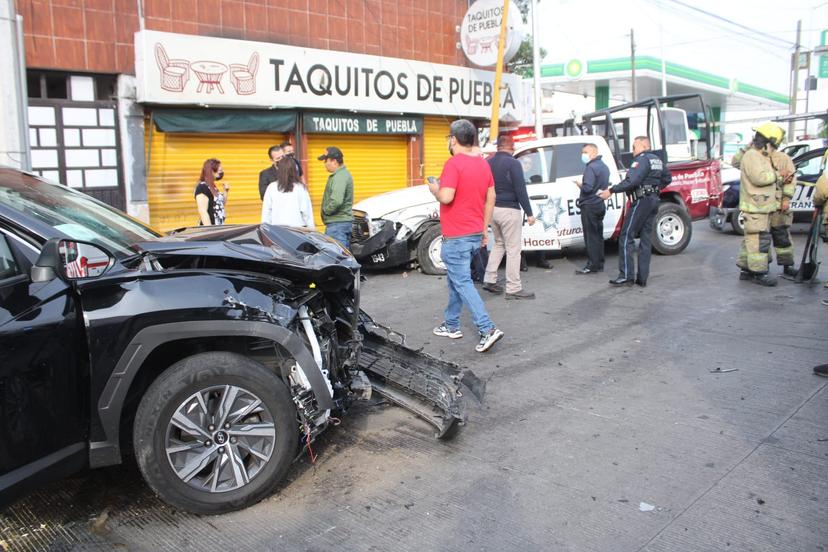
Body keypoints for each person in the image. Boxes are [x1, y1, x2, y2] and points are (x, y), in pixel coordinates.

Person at [428, 119, 504, 353]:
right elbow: (490, 197)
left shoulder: (453, 164)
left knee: (462, 281)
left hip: (456, 235)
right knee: (455, 280)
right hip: (473, 233)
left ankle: (487, 328)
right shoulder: (483, 164)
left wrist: (435, 189)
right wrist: (484, 228)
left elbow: (447, 197)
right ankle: (451, 324)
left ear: (453, 139)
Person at [598, 136, 670, 287]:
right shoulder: (657, 160)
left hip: (641, 201)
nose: (632, 150)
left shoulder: (641, 160)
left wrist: (611, 190)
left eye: (634, 146)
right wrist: (654, 188)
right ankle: (642, 278)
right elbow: (667, 178)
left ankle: (626, 275)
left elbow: (632, 181)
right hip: (653, 200)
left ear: (644, 146)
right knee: (645, 239)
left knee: (626, 235)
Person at [482, 133, 536, 299]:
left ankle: (489, 279)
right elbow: (521, 189)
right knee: (513, 249)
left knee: (499, 244)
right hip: (509, 210)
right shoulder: (513, 163)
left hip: (492, 210)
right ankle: (513, 288)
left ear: (498, 146)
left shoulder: (487, 162)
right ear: (511, 147)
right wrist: (529, 213)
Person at [734, 123, 787, 286]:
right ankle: (758, 273)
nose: (773, 149)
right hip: (756, 208)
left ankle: (746, 269)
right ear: (767, 141)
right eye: (773, 145)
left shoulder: (758, 155)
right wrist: (778, 175)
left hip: (760, 208)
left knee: (751, 240)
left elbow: (736, 162)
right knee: (759, 241)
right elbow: (759, 178)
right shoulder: (753, 156)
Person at [575, 143, 610, 274]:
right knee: (598, 236)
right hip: (599, 204)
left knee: (590, 237)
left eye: (585, 152)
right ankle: (599, 263)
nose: (583, 155)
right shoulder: (604, 167)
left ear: (593, 153)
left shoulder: (591, 168)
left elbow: (588, 188)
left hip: (589, 205)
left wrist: (581, 185)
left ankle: (592, 265)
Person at [766, 135, 797, 276]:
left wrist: (786, 199)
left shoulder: (783, 159)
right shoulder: (757, 159)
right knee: (760, 240)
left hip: (778, 206)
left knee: (782, 237)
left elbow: (790, 180)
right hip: (762, 206)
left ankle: (787, 266)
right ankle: (758, 268)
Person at [261, 157, 315, 229]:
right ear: (294, 170)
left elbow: (266, 213)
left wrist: (265, 230)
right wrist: (312, 230)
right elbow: (307, 214)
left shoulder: (271, 187)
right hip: (297, 231)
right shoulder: (300, 188)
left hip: (277, 231)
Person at [317, 146, 354, 248]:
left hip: (337, 225)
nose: (324, 164)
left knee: (337, 258)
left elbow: (337, 201)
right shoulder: (342, 175)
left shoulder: (340, 177)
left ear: (334, 161)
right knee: (344, 258)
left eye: (326, 160)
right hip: (340, 225)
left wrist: (326, 211)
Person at [194, 158, 228, 226]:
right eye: (217, 169)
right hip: (210, 230)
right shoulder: (202, 187)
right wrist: (210, 231)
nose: (220, 172)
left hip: (218, 228)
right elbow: (203, 212)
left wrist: (225, 191)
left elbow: (220, 205)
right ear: (209, 171)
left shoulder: (213, 187)